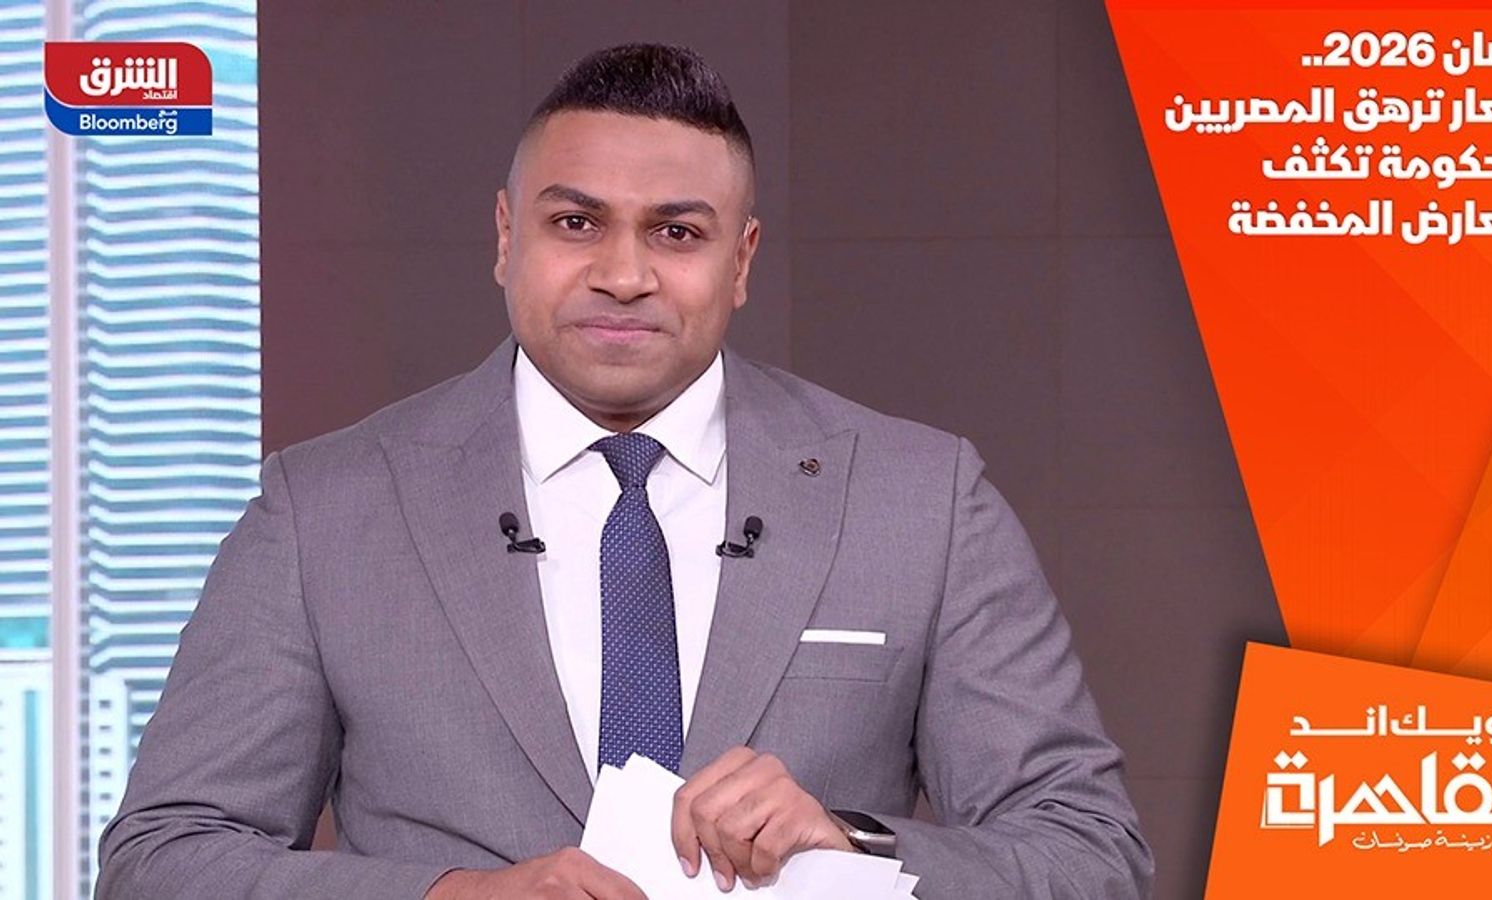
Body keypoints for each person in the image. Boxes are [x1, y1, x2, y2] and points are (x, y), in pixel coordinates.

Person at [96, 43, 1153, 900]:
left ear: (740, 261)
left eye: (676, 232)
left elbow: (1090, 853)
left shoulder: (920, 500)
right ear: (505, 237)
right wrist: (448, 896)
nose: (622, 273)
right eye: (575, 222)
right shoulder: (325, 510)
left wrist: (854, 843)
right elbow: (162, 861)